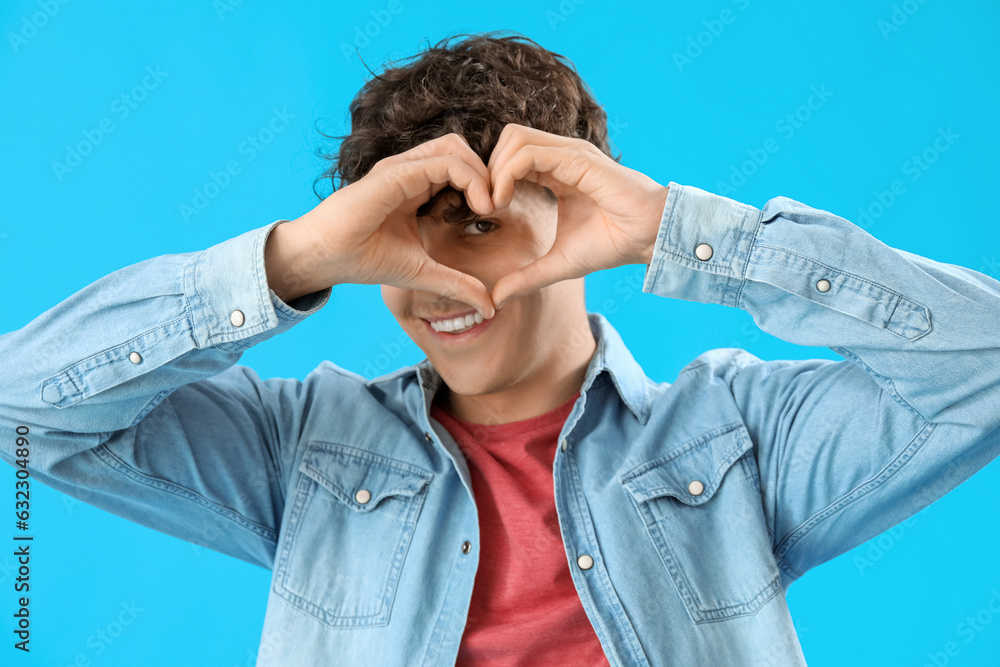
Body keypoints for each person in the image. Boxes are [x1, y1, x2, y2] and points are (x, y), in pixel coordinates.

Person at [2, 30, 998, 666]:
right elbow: (20, 412)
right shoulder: (304, 449)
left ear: (577, 220)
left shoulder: (737, 437)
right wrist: (295, 258)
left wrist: (677, 229)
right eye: (395, 236)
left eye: (472, 225)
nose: (432, 278)